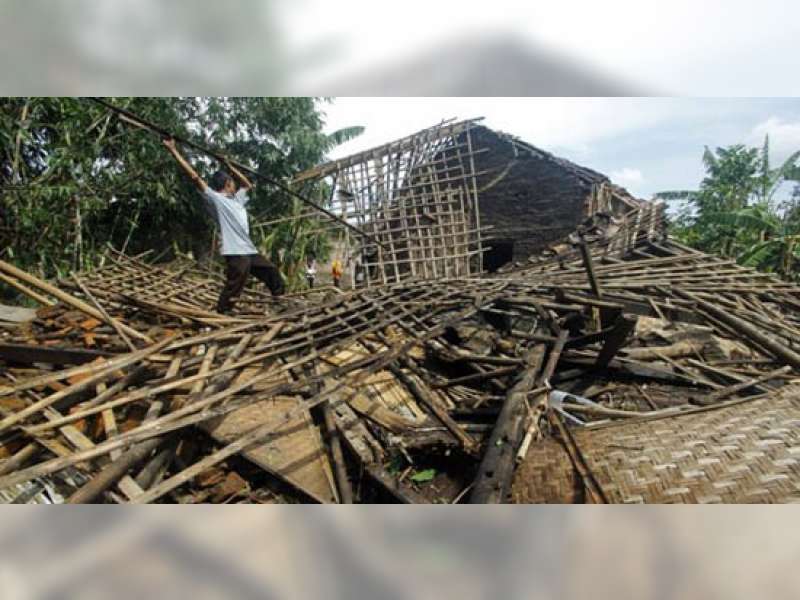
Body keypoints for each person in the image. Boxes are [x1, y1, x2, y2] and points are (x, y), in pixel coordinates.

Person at [162, 138, 284, 314]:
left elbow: (248, 184)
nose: (235, 183)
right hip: (235, 251)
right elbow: (195, 177)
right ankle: (222, 311)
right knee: (236, 283)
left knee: (270, 271)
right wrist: (173, 150)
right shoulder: (217, 199)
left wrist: (229, 166)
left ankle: (280, 300)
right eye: (231, 181)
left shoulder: (237, 199)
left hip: (248, 249)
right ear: (227, 184)